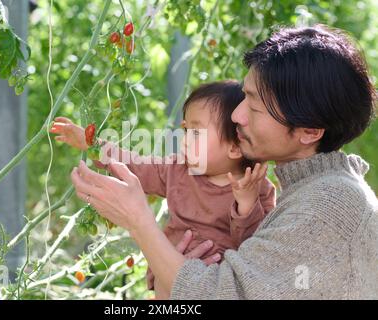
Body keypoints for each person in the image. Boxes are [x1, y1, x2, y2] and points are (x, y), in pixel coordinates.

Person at [70, 25, 377, 299]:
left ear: (310, 131)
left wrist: (138, 220)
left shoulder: (329, 205)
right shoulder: (310, 193)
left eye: (255, 108)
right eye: (244, 97)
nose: (236, 116)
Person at [50, 81, 276, 299]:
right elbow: (134, 164)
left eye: (195, 133)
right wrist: (93, 144)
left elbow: (254, 251)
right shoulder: (177, 170)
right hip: (167, 281)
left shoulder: (258, 189)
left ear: (235, 147)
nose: (184, 140)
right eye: (185, 130)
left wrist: (246, 204)